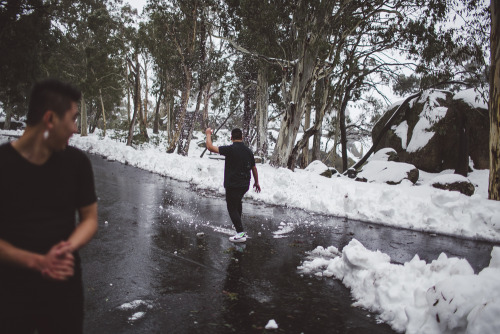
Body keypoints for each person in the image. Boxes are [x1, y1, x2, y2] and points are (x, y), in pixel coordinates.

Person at [0, 79, 98, 334]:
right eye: (73, 119)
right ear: (50, 119)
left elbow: (89, 219)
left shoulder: (77, 163)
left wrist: (68, 246)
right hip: (10, 290)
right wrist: (38, 262)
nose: (75, 129)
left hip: (64, 286)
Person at [205, 127, 261, 243]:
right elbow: (254, 168)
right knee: (237, 202)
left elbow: (210, 147)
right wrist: (256, 182)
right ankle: (238, 226)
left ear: (231, 138)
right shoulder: (248, 151)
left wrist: (208, 134)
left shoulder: (230, 149)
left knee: (231, 207)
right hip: (245, 184)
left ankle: (240, 233)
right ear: (242, 137)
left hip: (232, 184)